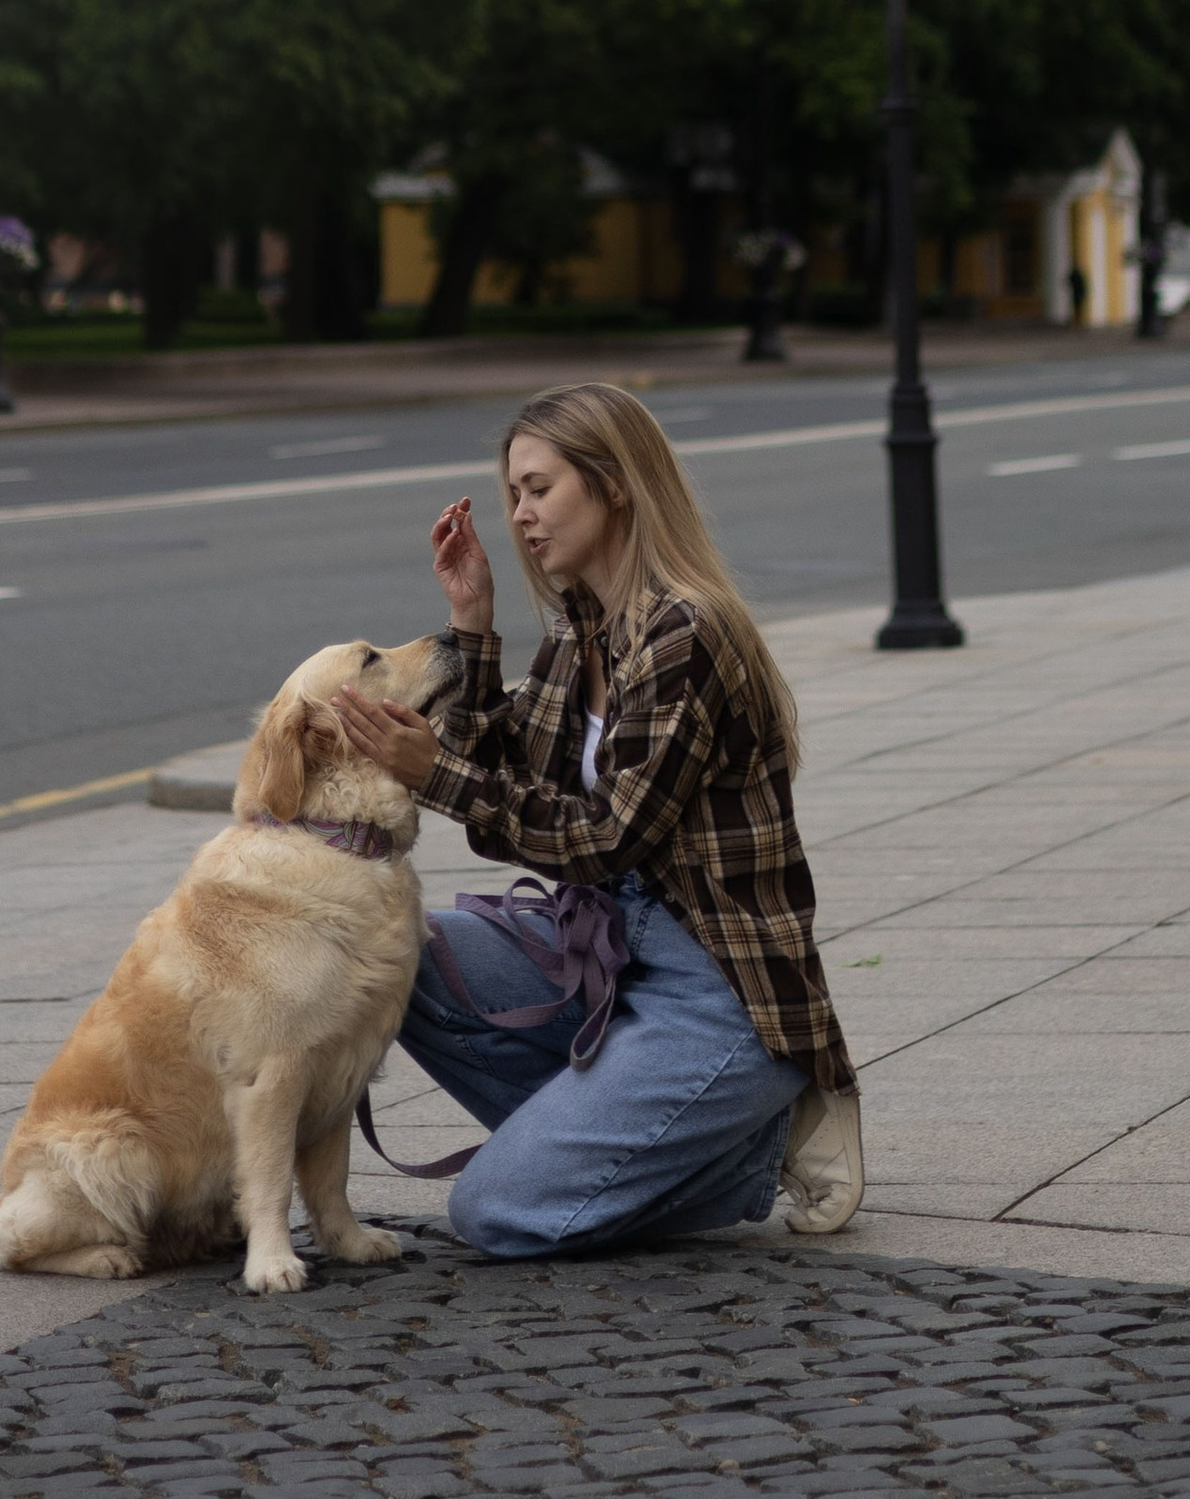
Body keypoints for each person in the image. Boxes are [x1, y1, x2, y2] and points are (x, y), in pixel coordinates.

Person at [329, 378, 863, 1261]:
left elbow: (607, 837)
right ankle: (642, 1136)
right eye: (513, 494)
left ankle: (753, 1149)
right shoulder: (587, 624)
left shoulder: (686, 633)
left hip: (716, 988)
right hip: (614, 953)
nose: (522, 515)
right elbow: (511, 762)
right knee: (390, 948)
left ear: (614, 484)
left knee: (494, 1211)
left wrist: (435, 774)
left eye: (541, 489)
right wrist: (472, 624)